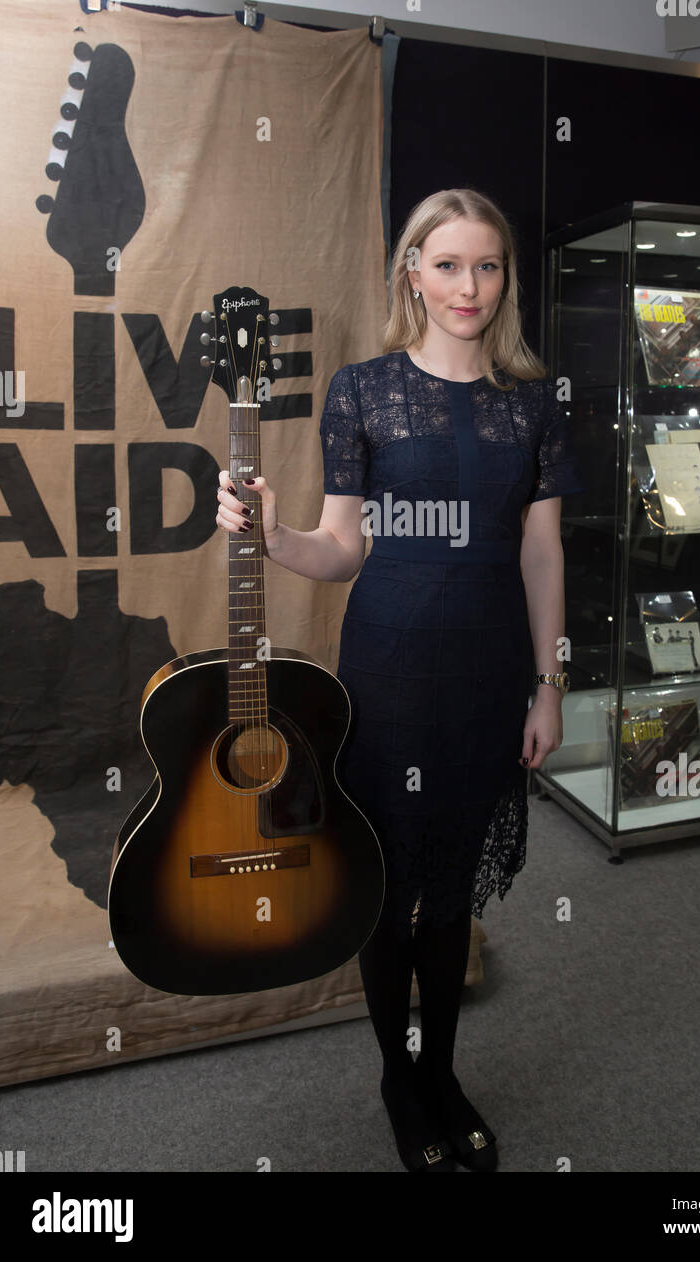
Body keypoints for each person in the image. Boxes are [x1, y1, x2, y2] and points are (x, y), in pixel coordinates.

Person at [215, 187, 583, 1172]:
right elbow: (341, 548)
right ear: (410, 272)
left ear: (504, 278)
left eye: (488, 264)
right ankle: (398, 1076)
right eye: (448, 262)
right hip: (383, 676)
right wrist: (271, 533)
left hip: (485, 676)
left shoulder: (536, 400)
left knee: (451, 892)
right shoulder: (362, 391)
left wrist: (548, 684)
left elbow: (541, 554)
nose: (469, 285)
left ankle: (443, 1074)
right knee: (388, 893)